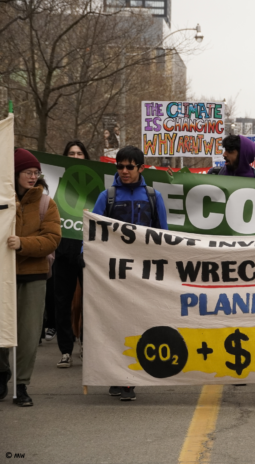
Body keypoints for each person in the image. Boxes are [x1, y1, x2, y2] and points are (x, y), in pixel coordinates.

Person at [92, 146, 168, 401]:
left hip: (144, 275)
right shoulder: (107, 197)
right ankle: (117, 377)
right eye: (119, 166)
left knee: (139, 322)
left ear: (141, 168)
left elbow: (164, 237)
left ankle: (132, 376)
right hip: (113, 275)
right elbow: (93, 232)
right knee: (114, 324)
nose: (123, 171)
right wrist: (85, 255)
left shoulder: (154, 197)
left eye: (129, 167)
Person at [0, 149, 61, 406]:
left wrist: (22, 244)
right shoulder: (3, 201)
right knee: (2, 331)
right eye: (28, 172)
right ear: (14, 174)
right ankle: (2, 377)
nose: (33, 177)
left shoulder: (47, 203)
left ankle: (22, 386)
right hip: (3, 276)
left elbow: (52, 239)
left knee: (28, 335)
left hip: (33, 278)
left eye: (36, 173)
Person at [54, 141, 90, 368]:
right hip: (63, 250)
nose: (75, 156)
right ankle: (65, 349)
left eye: (79, 153)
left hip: (88, 252)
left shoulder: (94, 184)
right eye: (71, 154)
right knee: (62, 302)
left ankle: (87, 344)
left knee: (90, 302)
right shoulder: (56, 184)